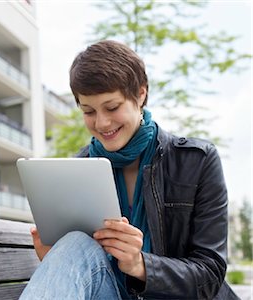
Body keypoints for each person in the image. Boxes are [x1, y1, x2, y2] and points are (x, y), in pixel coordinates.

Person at [19, 40, 239, 300]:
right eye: (88, 111)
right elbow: (83, 264)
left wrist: (141, 265)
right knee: (74, 246)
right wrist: (58, 260)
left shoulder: (197, 161)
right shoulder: (77, 169)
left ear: (141, 94)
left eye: (112, 107)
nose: (101, 123)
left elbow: (210, 273)